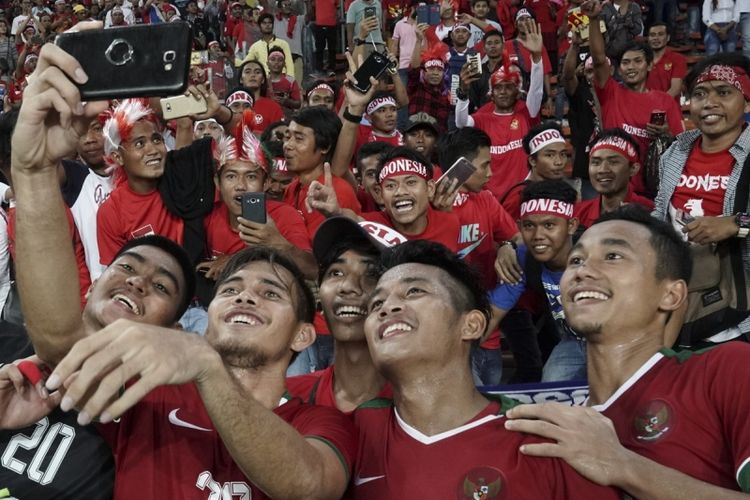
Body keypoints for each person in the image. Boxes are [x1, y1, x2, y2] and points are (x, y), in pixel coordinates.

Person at [8, 38, 356, 499]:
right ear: (200, 318)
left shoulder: (319, 421)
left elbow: (309, 486)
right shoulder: (147, 397)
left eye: (271, 293)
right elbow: (58, 339)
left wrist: (208, 369)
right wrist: (33, 171)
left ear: (302, 334)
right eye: (231, 290)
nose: (245, 295)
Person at [504, 205, 750, 498]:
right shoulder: (552, 431)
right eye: (576, 259)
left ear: (671, 295)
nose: (582, 271)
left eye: (612, 256)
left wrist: (623, 465)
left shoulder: (726, 368)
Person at [351, 239, 620, 498]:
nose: (387, 308)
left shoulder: (549, 443)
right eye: (376, 304)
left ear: (471, 325)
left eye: (414, 291)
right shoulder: (356, 429)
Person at [653, 52, 750, 343]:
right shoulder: (675, 151)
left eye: (724, 92)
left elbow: (737, 225)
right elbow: (660, 213)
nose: (709, 103)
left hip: (742, 312)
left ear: (746, 101)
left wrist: (736, 224)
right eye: (699, 94)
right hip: (683, 302)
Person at [287, 217, 399, 412]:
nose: (348, 287)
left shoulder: (428, 407)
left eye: (372, 273)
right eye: (336, 272)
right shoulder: (289, 397)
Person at [435, 127, 520, 385]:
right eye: (485, 166)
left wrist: (507, 245)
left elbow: (518, 239)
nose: (491, 173)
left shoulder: (485, 199)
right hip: (447, 332)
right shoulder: (426, 206)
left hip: (488, 330)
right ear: (462, 166)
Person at [489, 180, 587, 382]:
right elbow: (492, 313)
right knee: (550, 388)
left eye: (549, 225)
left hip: (616, 340)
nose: (537, 236)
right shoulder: (524, 258)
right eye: (529, 226)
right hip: (572, 341)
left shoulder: (596, 253)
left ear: (571, 225)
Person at [585, 0, 684, 197]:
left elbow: (680, 145)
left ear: (649, 66)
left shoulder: (665, 101)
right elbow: (598, 58)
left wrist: (666, 133)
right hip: (613, 189)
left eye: (637, 61)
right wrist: (594, 19)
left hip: (651, 191)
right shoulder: (611, 92)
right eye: (625, 62)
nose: (631, 67)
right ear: (619, 69)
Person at [456, 19, 544, 200]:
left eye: (509, 87)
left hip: (521, 195)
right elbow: (461, 122)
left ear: (518, 92)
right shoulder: (483, 118)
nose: (503, 92)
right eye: (498, 88)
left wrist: (536, 58)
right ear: (491, 93)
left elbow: (536, 91)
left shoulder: (527, 114)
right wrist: (463, 92)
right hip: (489, 197)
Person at [283, 106, 362, 238]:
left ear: (325, 146)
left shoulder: (337, 192)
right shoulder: (292, 188)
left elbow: (317, 254)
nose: (288, 145)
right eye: (287, 137)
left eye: (299, 138)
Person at [575, 129, 655, 228]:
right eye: (596, 162)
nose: (603, 170)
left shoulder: (652, 213)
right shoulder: (576, 214)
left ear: (633, 169)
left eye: (613, 162)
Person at [501, 121, 570, 219]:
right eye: (550, 155)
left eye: (563, 154)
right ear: (533, 160)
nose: (559, 162)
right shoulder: (517, 197)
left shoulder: (565, 190)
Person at [406, 25, 452, 134]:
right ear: (424, 72)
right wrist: (418, 41)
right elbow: (414, 70)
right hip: (417, 139)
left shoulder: (446, 95)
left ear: (443, 73)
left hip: (439, 143)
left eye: (439, 70)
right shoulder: (416, 87)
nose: (435, 73)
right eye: (431, 69)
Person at [236, 60, 285, 133]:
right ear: (241, 79)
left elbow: (280, 137)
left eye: (257, 72)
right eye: (247, 72)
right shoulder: (231, 107)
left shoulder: (273, 108)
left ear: (262, 80)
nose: (253, 75)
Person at [646, 22, 687, 101]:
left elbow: (675, 89)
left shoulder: (678, 59)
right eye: (652, 35)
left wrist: (658, 103)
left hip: (669, 108)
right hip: (646, 107)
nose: (656, 38)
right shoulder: (643, 59)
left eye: (660, 34)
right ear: (648, 38)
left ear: (668, 37)